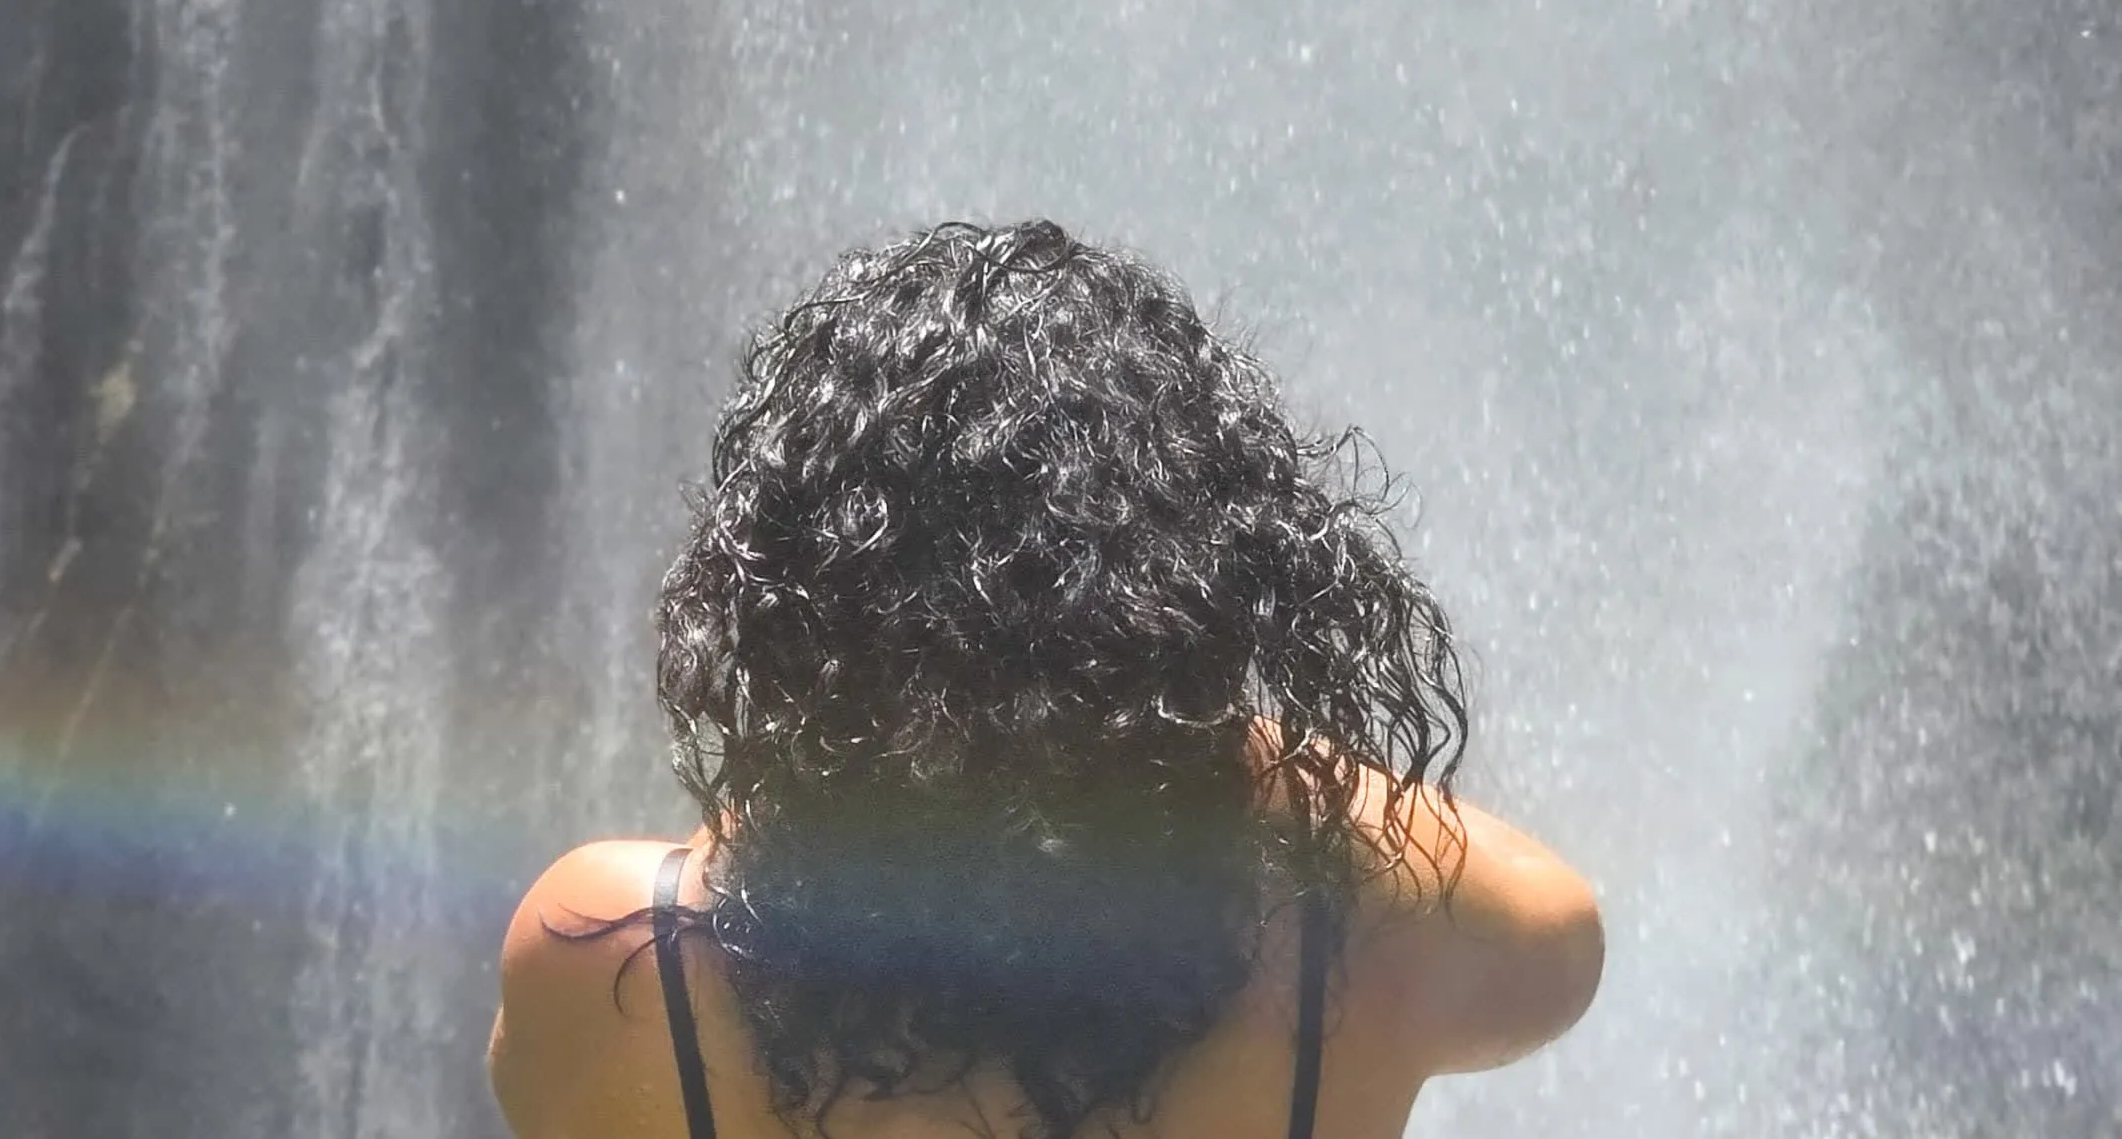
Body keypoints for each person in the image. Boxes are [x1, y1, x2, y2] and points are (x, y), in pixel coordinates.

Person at [490, 221, 1602, 1139]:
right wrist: (1213, 737)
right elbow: (1557, 937)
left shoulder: (614, 968)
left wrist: (829, 780)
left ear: (791, 609)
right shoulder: (1347, 960)